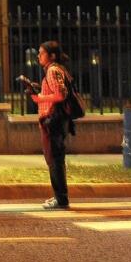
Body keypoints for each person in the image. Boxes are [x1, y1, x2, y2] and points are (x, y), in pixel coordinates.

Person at [32, 40, 73, 211]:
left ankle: (61, 199)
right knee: (55, 159)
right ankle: (59, 196)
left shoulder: (53, 70)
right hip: (55, 119)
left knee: (55, 160)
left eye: (41, 53)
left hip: (53, 120)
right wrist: (39, 90)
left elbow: (60, 94)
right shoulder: (55, 70)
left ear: (52, 55)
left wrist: (41, 98)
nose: (39, 56)